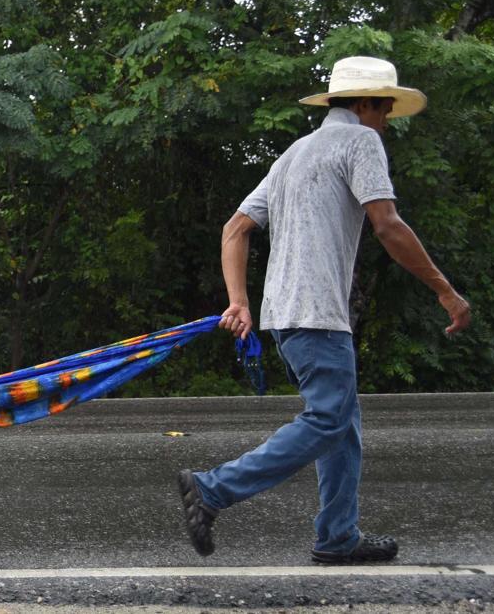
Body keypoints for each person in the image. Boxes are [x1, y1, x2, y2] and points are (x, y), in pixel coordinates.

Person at [178, 57, 472, 564]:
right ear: (364, 105)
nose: (386, 123)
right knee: (329, 420)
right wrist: (445, 289)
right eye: (384, 111)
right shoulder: (361, 141)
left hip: (286, 317)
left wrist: (240, 302)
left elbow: (234, 229)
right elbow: (388, 225)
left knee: (342, 423)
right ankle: (213, 488)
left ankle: (338, 535)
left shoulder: (295, 152)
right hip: (317, 314)